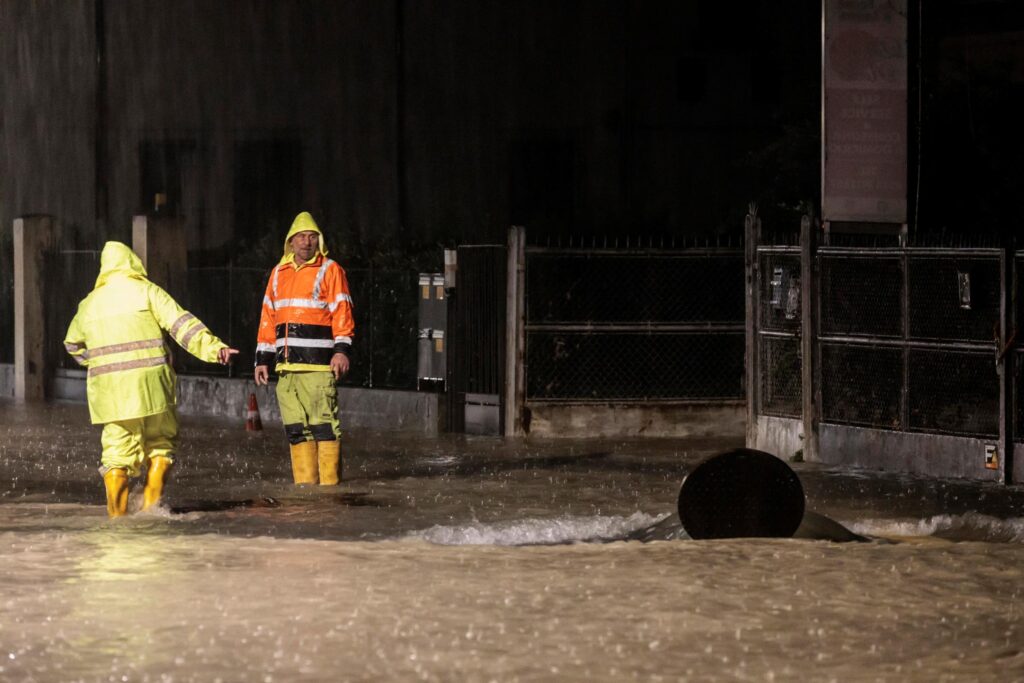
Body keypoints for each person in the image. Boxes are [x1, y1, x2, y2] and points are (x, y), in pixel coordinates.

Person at [64, 241, 238, 517]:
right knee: (161, 444)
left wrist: (97, 364)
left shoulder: (89, 304)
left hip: (111, 393)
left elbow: (72, 344)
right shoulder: (146, 291)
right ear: (133, 262)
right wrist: (215, 349)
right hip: (153, 387)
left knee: (116, 455)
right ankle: (150, 508)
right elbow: (180, 324)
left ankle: (117, 521)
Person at [254, 211, 354, 485]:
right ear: (291, 241)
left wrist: (341, 350)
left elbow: (342, 310)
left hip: (318, 367)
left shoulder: (330, 269)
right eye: (301, 237)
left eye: (312, 237)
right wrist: (262, 358)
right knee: (296, 431)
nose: (306, 242)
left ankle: (329, 492)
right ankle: (305, 492)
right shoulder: (278, 273)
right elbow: (268, 316)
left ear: (318, 242)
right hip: (287, 369)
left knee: (324, 429)